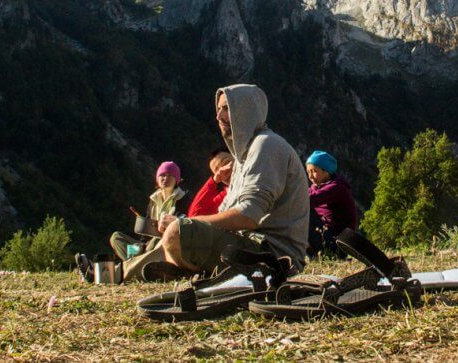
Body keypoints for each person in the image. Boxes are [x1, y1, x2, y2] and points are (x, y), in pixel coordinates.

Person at [151, 84, 309, 278]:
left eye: (227, 108)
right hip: (248, 243)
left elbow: (248, 217)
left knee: (177, 232)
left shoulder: (266, 145)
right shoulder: (243, 157)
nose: (218, 116)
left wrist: (187, 222)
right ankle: (138, 271)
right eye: (218, 109)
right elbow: (222, 213)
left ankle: (189, 272)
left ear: (246, 111)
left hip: (273, 255)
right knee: (168, 234)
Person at [108, 161, 187, 262]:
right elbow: (147, 231)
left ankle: (135, 264)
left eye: (170, 175)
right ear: (157, 178)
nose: (165, 178)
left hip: (165, 245)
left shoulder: (182, 199)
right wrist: (142, 243)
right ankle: (137, 262)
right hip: (146, 248)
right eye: (162, 175)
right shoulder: (153, 200)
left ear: (176, 180)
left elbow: (184, 224)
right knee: (116, 238)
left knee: (157, 240)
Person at [305, 150, 359, 257]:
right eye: (308, 172)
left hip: (337, 245)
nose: (310, 176)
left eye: (314, 171)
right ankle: (312, 255)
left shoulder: (336, 188)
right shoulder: (317, 186)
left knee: (303, 211)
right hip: (329, 237)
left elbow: (306, 200)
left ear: (327, 171)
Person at [187, 147, 234, 217]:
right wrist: (214, 181)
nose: (223, 170)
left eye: (226, 162)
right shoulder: (225, 196)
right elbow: (194, 217)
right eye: (217, 171)